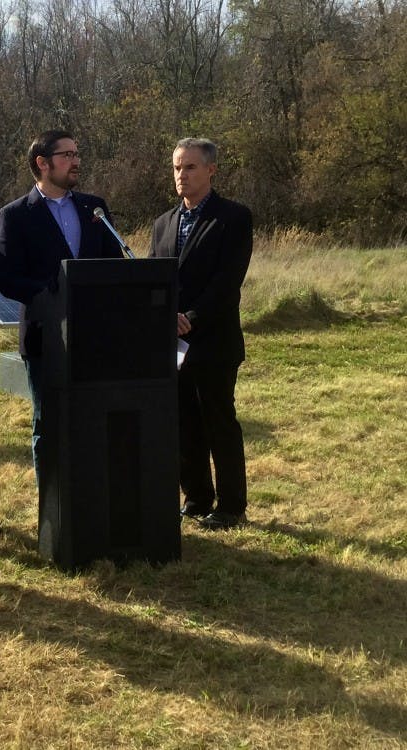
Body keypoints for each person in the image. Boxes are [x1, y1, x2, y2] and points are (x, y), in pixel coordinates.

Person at [0, 129, 123, 481]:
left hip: (95, 337)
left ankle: (92, 497)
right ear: (42, 163)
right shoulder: (16, 214)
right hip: (45, 338)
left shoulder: (93, 207)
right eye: (66, 155)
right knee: (48, 423)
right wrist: (56, 299)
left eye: (77, 153)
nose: (76, 161)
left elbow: (114, 265)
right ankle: (53, 510)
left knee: (93, 419)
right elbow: (9, 279)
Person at [150, 137, 253, 530]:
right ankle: (196, 497)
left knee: (218, 421)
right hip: (171, 344)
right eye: (177, 167)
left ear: (211, 170)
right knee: (182, 421)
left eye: (190, 167)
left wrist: (191, 316)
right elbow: (155, 280)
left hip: (214, 340)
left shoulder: (233, 218)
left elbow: (228, 282)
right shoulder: (163, 223)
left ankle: (230, 507)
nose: (182, 175)